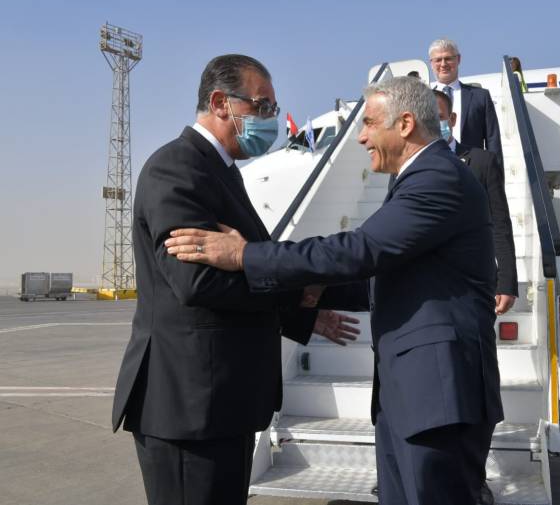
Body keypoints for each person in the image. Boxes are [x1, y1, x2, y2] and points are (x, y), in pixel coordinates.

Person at [165, 76, 504, 505]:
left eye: (369, 123)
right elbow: (391, 274)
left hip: (438, 394)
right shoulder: (419, 178)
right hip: (416, 394)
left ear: (404, 124)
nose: (360, 136)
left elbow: (361, 250)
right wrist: (316, 293)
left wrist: (245, 255)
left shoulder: (437, 178)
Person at [111, 54, 359, 505]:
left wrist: (301, 312)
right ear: (220, 103)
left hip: (221, 404)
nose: (270, 119)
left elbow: (242, 271)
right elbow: (197, 283)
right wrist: (288, 291)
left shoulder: (219, 170)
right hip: (190, 407)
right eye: (262, 106)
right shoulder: (177, 167)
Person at [435, 89, 517, 313]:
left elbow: (500, 223)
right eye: (426, 119)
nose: (433, 124)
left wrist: (507, 282)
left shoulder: (483, 162)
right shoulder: (406, 166)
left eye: (439, 117)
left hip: (474, 284)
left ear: (452, 119)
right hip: (427, 287)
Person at [428, 38, 503, 163]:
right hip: (434, 167)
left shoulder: (481, 97)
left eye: (448, 58)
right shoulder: (423, 99)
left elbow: (493, 141)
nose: (443, 64)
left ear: (458, 59)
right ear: (431, 64)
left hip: (472, 169)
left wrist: (496, 173)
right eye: (438, 60)